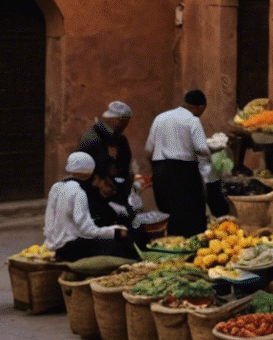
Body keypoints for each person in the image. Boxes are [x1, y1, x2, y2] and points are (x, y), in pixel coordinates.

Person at [44, 153, 135, 262]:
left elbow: (48, 223)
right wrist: (115, 231)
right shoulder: (78, 192)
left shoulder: (56, 187)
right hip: (71, 248)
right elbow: (87, 230)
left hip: (54, 246)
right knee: (126, 248)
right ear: (89, 173)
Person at [146, 90, 214, 236]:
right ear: (200, 107)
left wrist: (155, 171)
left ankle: (170, 247)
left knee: (168, 215)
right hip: (184, 172)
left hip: (161, 171)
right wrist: (212, 149)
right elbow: (202, 148)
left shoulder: (160, 118)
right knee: (190, 217)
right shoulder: (192, 120)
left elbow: (148, 150)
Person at [78, 101, 143, 217]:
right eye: (123, 123)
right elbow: (88, 171)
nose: (124, 126)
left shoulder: (120, 139)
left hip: (118, 192)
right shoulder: (92, 139)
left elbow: (124, 163)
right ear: (115, 120)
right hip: (98, 195)